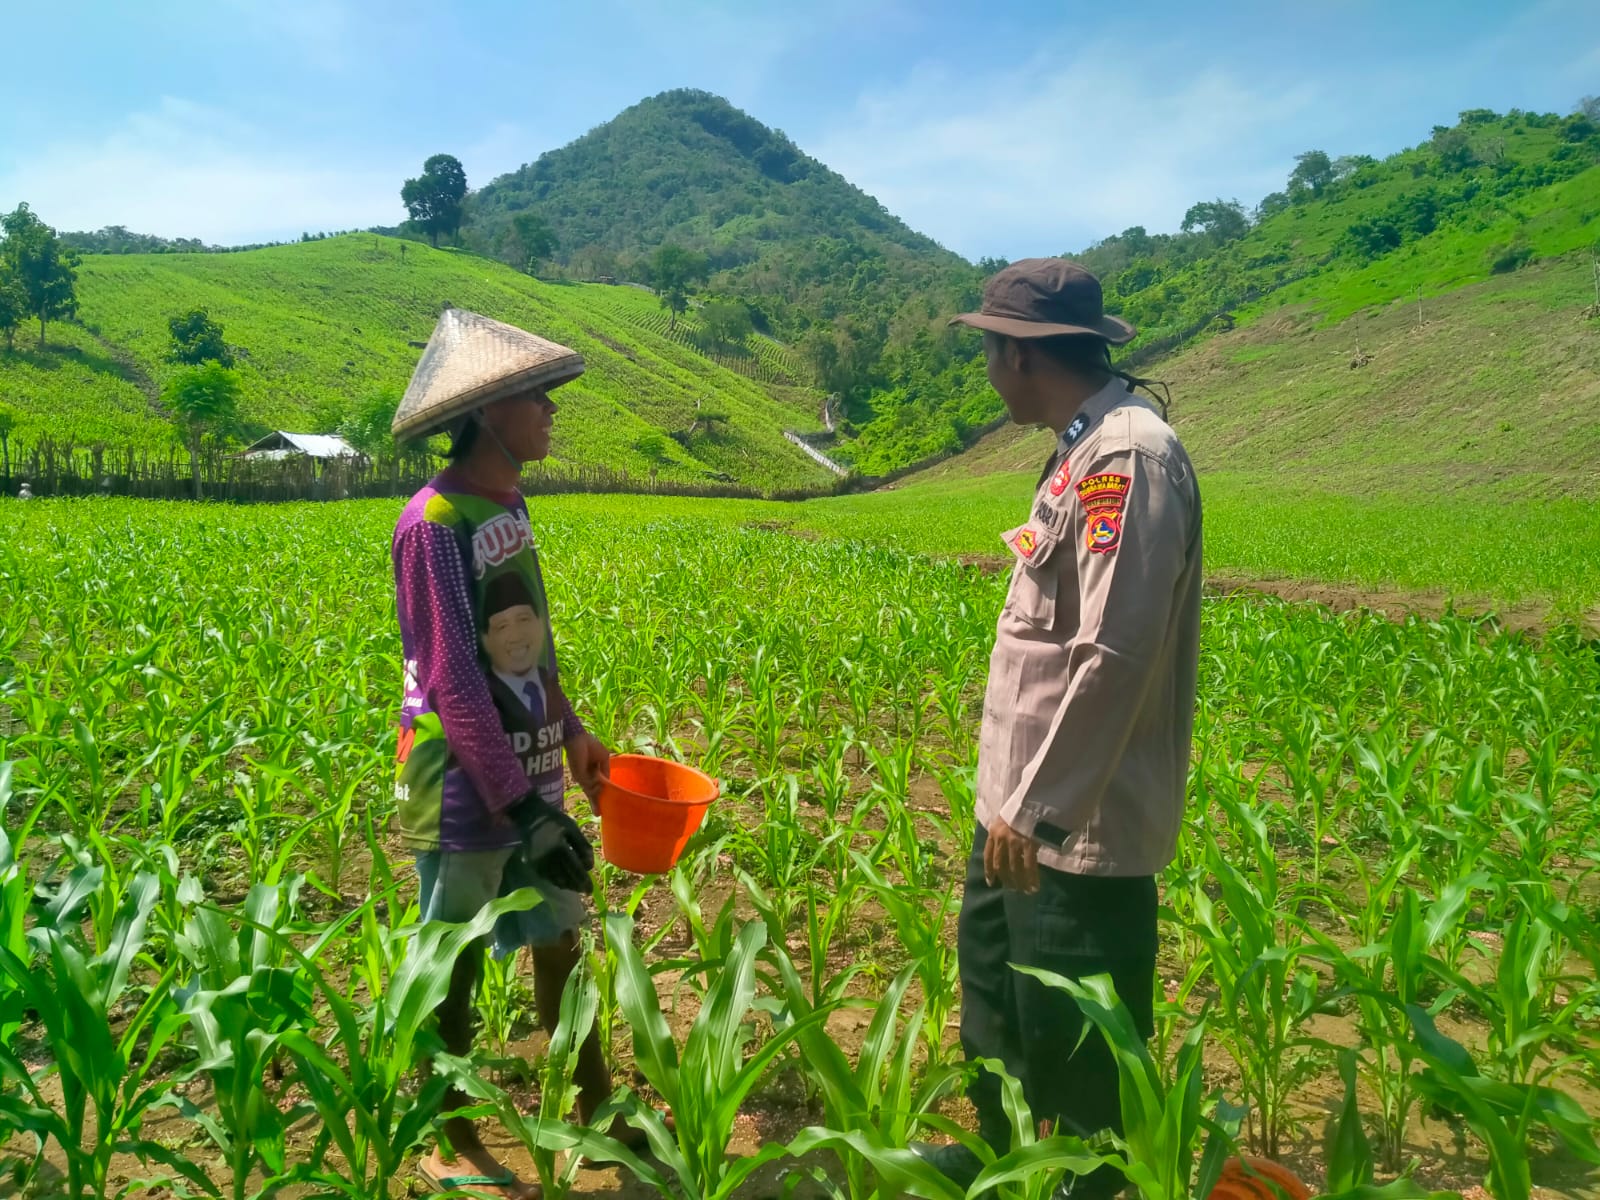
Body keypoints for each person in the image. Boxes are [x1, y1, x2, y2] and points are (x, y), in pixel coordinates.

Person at [917, 260, 1203, 1199]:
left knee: (1082, 1060)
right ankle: (998, 1164)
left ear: (1022, 355)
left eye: (990, 353)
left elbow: (1114, 654)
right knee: (998, 1016)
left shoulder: (1129, 458)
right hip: (1014, 809)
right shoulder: (1080, 448)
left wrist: (1037, 810)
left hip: (1071, 831)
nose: (988, 373)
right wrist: (1009, 805)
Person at [389, 307, 636, 1200]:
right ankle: (448, 1137)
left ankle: (595, 1110)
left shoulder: (510, 506)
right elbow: (453, 675)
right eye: (538, 397)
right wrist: (523, 807)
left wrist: (570, 731)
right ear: (489, 410)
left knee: (563, 937)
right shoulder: (433, 521)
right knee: (452, 964)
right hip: (464, 787)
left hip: (530, 770)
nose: (552, 412)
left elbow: (530, 648)